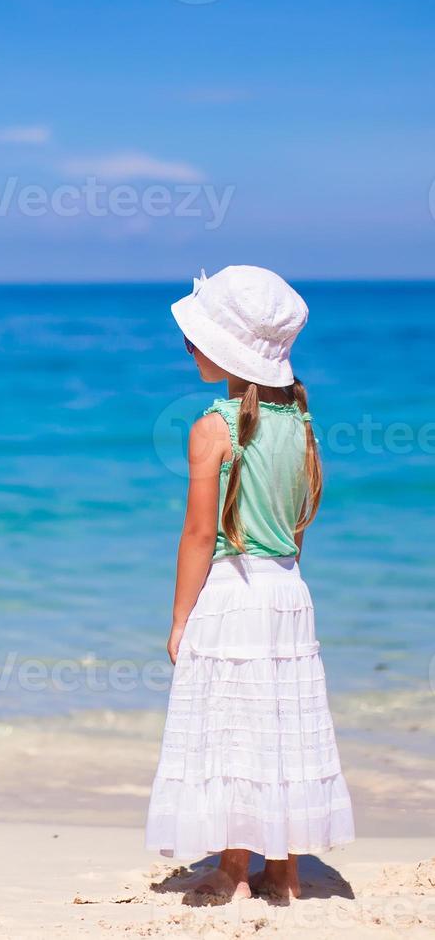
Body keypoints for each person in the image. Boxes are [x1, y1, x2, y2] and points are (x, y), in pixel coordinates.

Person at [145, 266, 355, 900]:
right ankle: (284, 867)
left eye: (197, 338)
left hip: (235, 593)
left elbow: (197, 537)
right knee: (281, 723)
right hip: (289, 589)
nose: (189, 348)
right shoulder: (302, 423)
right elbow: (295, 521)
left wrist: (181, 619)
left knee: (235, 728)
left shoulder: (215, 427)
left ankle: (235, 867)